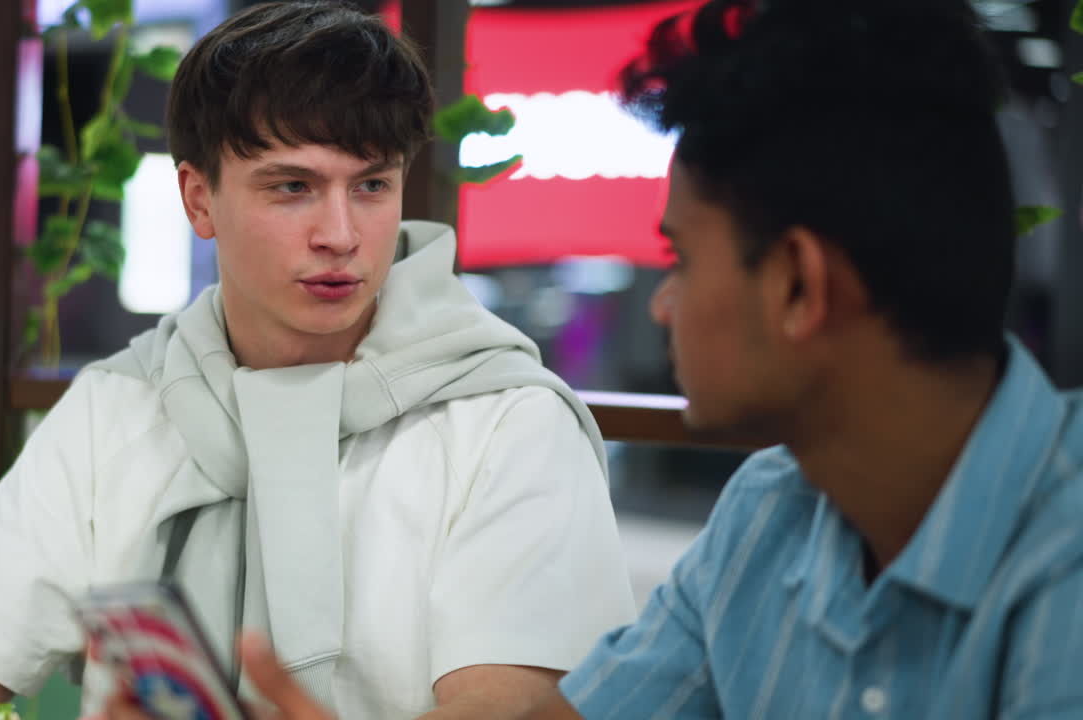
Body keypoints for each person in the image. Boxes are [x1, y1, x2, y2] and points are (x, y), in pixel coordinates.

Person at [224, 0, 1083, 718]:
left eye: (682, 259)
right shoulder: (771, 514)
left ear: (796, 287)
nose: (664, 305)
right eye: (291, 186)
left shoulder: (1060, 569)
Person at [0, 3, 636, 719]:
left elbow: (514, 702)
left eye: (371, 186)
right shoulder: (121, 403)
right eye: (292, 187)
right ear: (197, 199)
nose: (341, 234)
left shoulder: (505, 418)